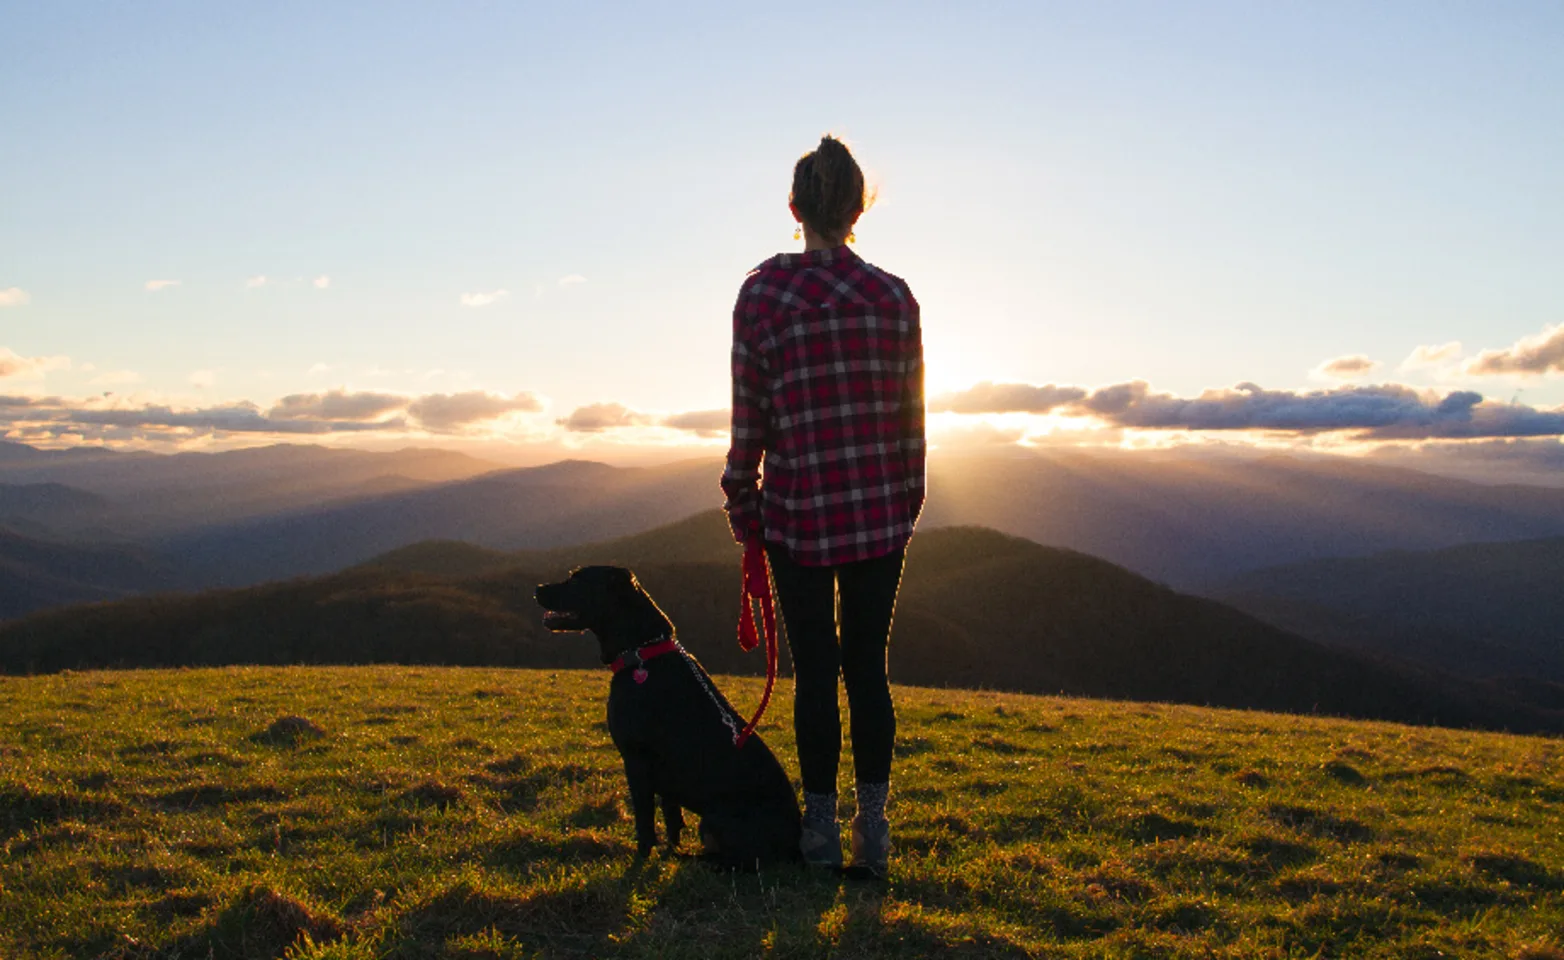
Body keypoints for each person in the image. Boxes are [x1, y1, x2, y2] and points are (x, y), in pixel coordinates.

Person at [721, 134, 925, 878]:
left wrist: (744, 499)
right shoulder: (894, 296)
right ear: (858, 208)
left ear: (795, 207)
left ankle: (819, 830)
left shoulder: (765, 294)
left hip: (799, 514)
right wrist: (905, 501)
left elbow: (753, 419)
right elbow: (913, 419)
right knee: (868, 670)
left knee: (815, 673)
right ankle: (875, 831)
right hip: (880, 513)